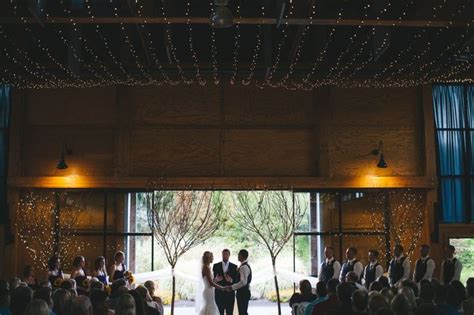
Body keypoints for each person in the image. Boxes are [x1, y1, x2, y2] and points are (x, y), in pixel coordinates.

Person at [224, 249, 252, 315]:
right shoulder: (244, 265)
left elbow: (243, 282)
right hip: (243, 292)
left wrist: (231, 287)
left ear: (241, 256)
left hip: (243, 293)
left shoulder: (244, 267)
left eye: (238, 254)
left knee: (242, 312)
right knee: (242, 311)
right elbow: (241, 280)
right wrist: (231, 280)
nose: (238, 256)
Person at [213, 249, 237, 315]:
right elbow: (212, 280)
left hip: (230, 294)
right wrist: (216, 280)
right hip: (219, 294)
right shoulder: (216, 266)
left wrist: (231, 280)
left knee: (229, 312)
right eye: (223, 254)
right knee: (219, 312)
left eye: (226, 254)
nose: (225, 256)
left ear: (229, 255)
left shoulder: (234, 267)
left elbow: (237, 281)